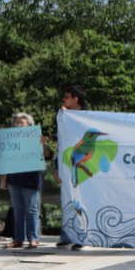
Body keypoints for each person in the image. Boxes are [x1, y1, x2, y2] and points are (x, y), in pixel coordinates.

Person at [0, 113, 51, 249]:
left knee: (31, 209)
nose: (18, 125)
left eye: (21, 122)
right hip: (14, 178)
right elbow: (3, 157)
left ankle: (33, 239)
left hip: (31, 178)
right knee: (17, 210)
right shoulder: (10, 140)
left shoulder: (36, 138)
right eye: (16, 123)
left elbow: (49, 156)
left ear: (29, 125)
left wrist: (43, 145)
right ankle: (18, 239)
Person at [56, 85, 87, 251]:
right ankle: (68, 234)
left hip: (84, 167)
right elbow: (61, 143)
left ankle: (83, 236)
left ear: (76, 99)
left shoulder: (88, 117)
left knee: (80, 200)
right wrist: (57, 166)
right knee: (68, 199)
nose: (63, 99)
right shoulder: (64, 116)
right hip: (68, 166)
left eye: (66, 96)